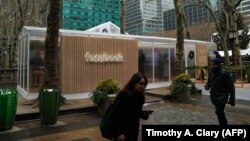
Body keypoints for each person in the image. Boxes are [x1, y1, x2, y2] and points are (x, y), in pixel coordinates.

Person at [110, 72, 153, 141]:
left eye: (144, 84)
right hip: (123, 131)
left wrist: (145, 114)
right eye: (141, 83)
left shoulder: (139, 96)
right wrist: (119, 133)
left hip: (133, 130)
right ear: (134, 83)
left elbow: (135, 111)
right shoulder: (124, 94)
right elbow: (115, 113)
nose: (143, 86)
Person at [204, 58, 235, 125]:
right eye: (212, 64)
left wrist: (232, 98)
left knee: (219, 111)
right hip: (214, 96)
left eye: (214, 64)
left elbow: (231, 87)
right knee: (219, 112)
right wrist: (207, 86)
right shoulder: (211, 72)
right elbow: (209, 83)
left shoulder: (225, 73)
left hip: (222, 96)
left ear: (218, 65)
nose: (212, 66)